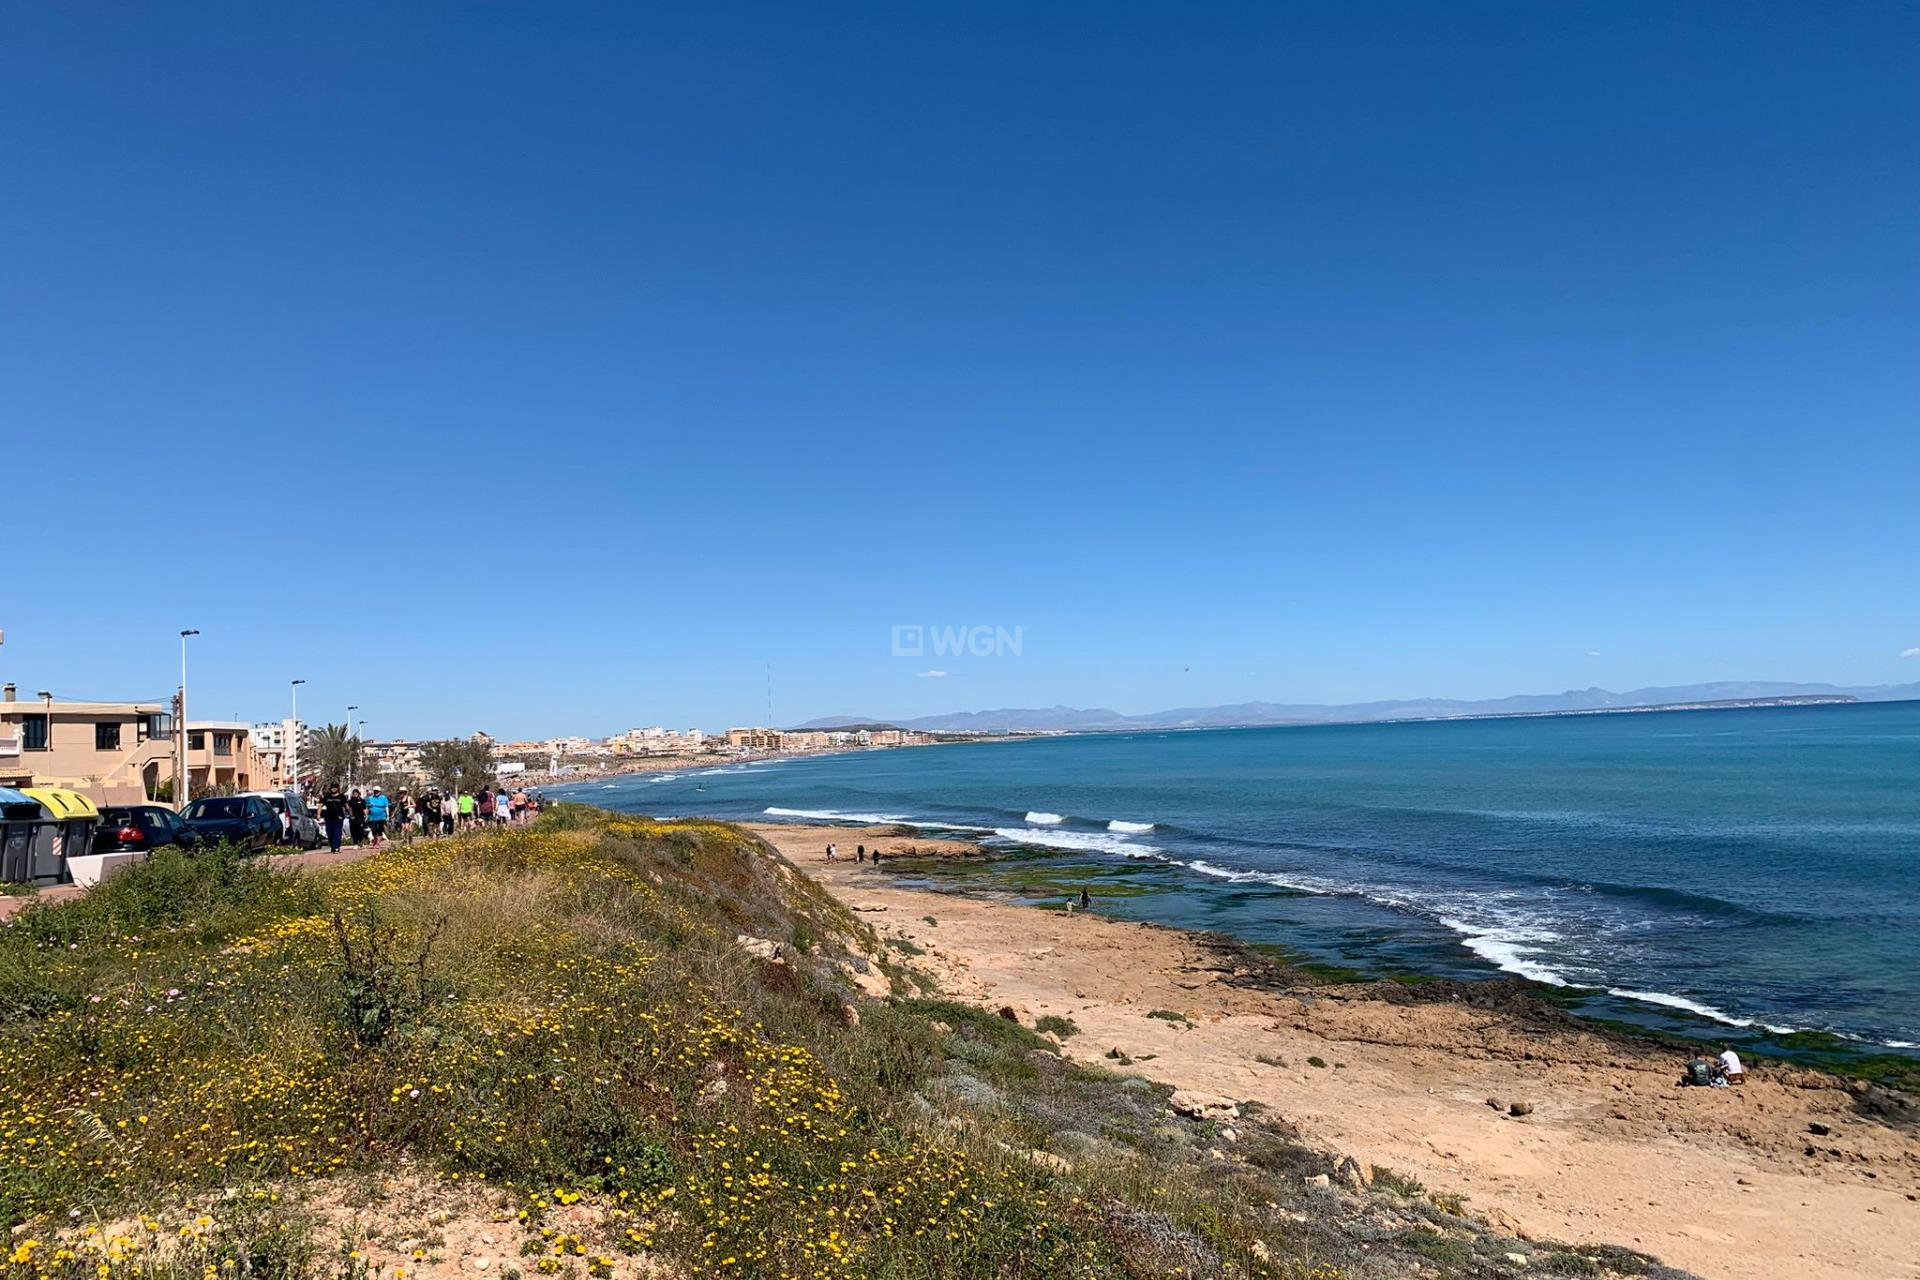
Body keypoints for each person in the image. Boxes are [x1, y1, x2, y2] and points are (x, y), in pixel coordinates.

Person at [319, 785, 348, 853]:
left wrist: (350, 813)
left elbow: (346, 806)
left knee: (337, 832)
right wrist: (318, 814)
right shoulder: (327, 796)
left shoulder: (341, 797)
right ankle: (333, 846)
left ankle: (336, 847)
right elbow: (320, 805)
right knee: (330, 833)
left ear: (337, 788)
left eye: (335, 788)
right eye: (332, 788)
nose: (334, 789)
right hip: (329, 817)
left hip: (339, 817)